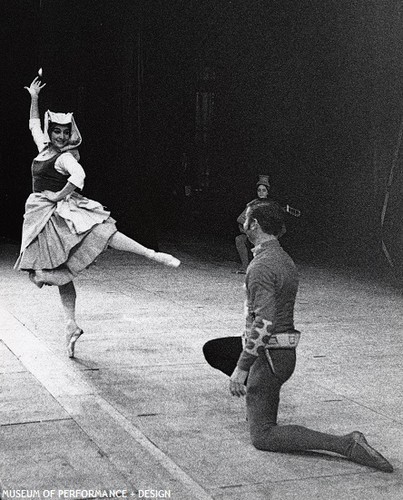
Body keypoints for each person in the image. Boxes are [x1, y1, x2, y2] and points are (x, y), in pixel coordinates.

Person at [204, 200, 393, 473]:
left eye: (247, 217)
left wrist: (241, 368)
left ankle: (346, 444)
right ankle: (254, 399)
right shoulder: (280, 257)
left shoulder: (261, 267)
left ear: (254, 225)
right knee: (215, 349)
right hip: (280, 354)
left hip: (268, 356)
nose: (242, 220)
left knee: (263, 435)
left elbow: (264, 323)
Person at [15, 77, 181, 358]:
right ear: (50, 132)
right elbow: (33, 124)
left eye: (65, 133)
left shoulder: (64, 158)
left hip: (58, 211)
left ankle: (152, 254)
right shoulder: (43, 147)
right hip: (40, 214)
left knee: (102, 232)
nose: (61, 137)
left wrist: (59, 195)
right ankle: (70, 324)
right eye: (56, 132)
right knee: (59, 273)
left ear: (69, 135)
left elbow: (79, 176)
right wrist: (33, 98)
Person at [235, 175, 271, 274]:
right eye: (259, 190)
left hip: (265, 235)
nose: (261, 192)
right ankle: (245, 267)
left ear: (267, 192)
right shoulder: (252, 204)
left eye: (264, 190)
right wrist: (250, 226)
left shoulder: (271, 206)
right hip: (253, 234)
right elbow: (240, 218)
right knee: (239, 239)